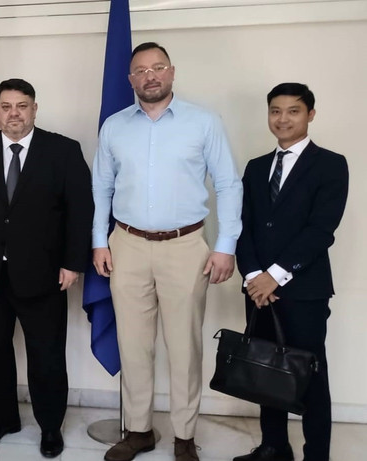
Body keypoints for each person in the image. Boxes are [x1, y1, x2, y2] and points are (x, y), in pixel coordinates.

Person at [92, 42, 243, 461]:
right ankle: (139, 430)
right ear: (130, 80)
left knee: (184, 346)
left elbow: (229, 184)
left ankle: (183, 435)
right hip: (127, 246)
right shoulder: (115, 126)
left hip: (185, 246)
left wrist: (225, 246)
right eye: (141, 70)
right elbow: (101, 187)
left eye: (158, 67)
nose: (150, 75)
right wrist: (98, 240)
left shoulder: (203, 122)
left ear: (172, 71)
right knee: (134, 345)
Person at [0, 78, 93, 459]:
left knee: (46, 357)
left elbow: (80, 211)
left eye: (21, 105)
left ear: (35, 108)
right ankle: (2, 419)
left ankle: (50, 428)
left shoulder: (63, 150)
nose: (13, 113)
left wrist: (72, 263)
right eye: (6, 106)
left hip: (45, 275)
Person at [233, 83, 348, 461]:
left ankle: (317, 454)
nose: (282, 119)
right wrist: (252, 276)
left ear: (310, 115)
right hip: (257, 290)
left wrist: (275, 275)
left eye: (293, 111)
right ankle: (274, 446)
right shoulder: (255, 167)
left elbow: (321, 230)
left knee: (309, 374)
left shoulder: (331, 164)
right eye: (275, 111)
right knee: (267, 370)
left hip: (303, 290)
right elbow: (244, 226)